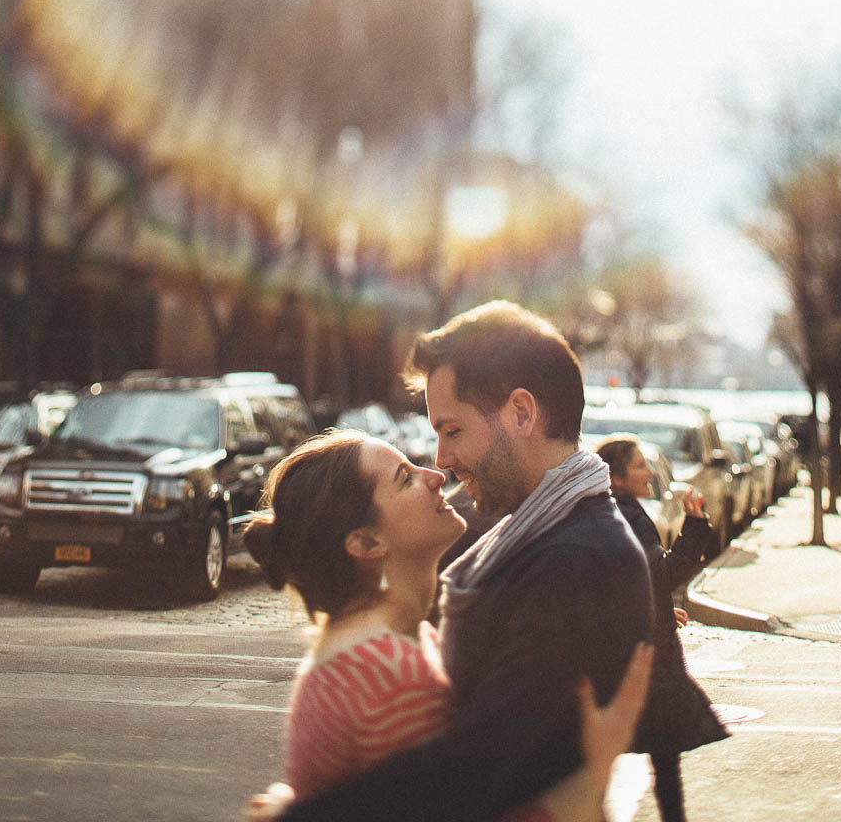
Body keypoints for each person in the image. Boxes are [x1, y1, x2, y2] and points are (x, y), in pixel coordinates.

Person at [274, 300, 654, 822]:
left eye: (451, 430)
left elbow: (470, 772)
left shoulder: (577, 557)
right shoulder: (526, 533)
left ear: (521, 413)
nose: (440, 462)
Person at [594, 434, 730, 822]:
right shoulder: (628, 516)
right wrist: (696, 524)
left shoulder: (612, 511)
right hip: (642, 657)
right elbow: (659, 576)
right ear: (617, 477)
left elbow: (628, 581)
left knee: (631, 748)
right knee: (659, 748)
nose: (651, 472)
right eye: (641, 466)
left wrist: (658, 609)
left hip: (628, 647)